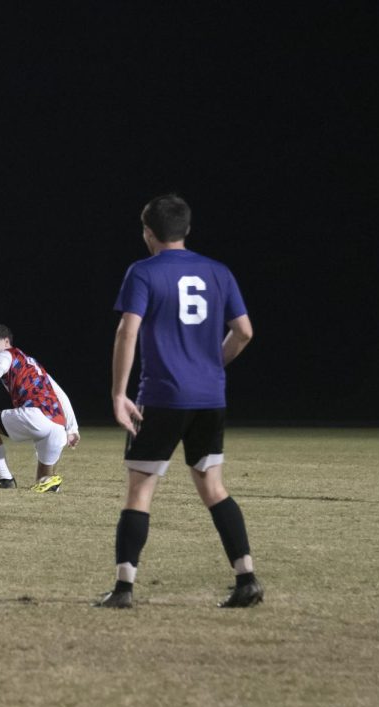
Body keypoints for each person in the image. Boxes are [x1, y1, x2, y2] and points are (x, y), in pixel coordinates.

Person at [96, 194, 262, 609]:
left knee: (140, 491)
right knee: (213, 486)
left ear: (148, 233)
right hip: (210, 398)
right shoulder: (218, 271)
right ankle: (247, 578)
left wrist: (118, 394)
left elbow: (126, 332)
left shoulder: (143, 272)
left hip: (163, 397)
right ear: (187, 230)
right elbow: (244, 332)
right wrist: (212, 364)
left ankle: (123, 589)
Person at [0, 325, 79, 493]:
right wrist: (72, 428)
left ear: (6, 342)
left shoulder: (6, 354)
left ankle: (4, 478)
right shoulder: (32, 365)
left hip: (36, 416)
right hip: (57, 425)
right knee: (42, 482)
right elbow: (60, 394)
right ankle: (49, 481)